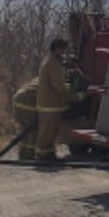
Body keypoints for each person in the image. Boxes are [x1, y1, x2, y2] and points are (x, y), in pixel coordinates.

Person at [33, 36, 74, 166]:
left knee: (53, 130)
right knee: (47, 130)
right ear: (57, 49)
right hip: (49, 104)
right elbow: (58, 85)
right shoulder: (53, 63)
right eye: (62, 50)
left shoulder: (52, 61)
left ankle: (49, 154)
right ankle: (41, 155)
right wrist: (73, 88)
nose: (63, 53)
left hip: (52, 104)